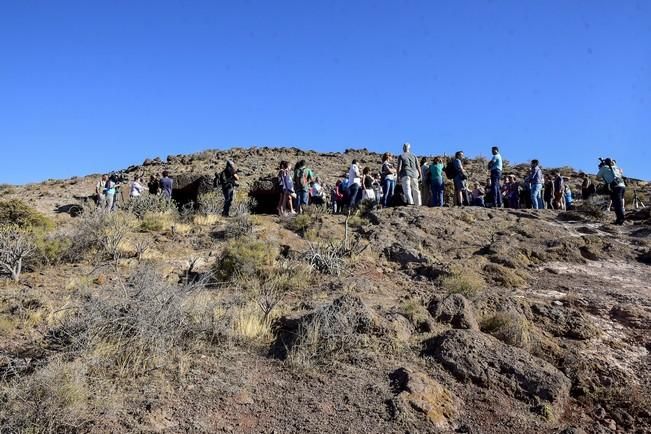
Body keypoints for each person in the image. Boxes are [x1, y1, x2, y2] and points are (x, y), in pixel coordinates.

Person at [597, 158, 626, 225]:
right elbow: (620, 172)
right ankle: (618, 220)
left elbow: (597, 177)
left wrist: (604, 176)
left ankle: (620, 220)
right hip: (622, 186)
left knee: (617, 205)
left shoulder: (604, 168)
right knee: (617, 203)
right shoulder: (615, 167)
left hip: (616, 187)